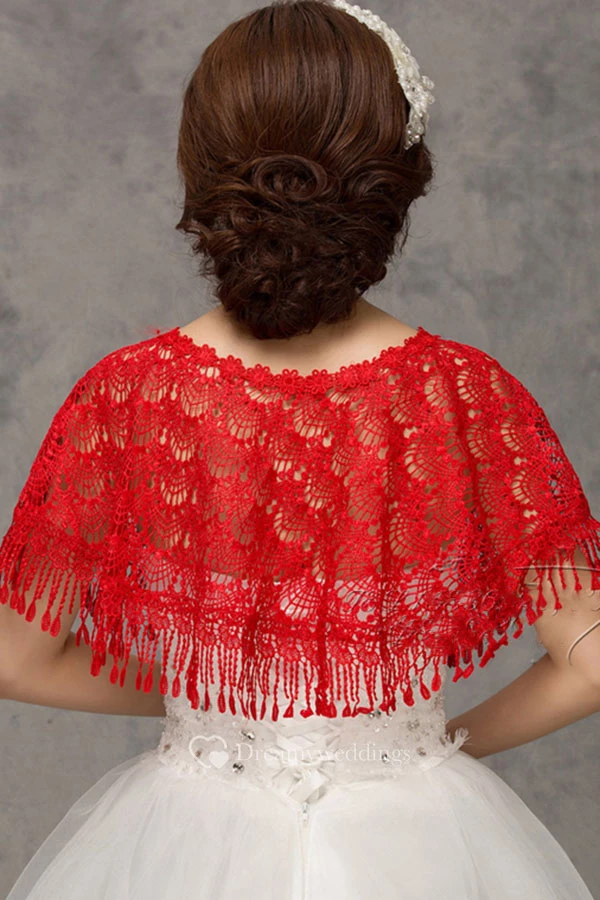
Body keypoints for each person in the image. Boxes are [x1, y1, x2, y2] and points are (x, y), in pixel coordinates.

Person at [1, 1, 599, 897]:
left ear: (199, 169)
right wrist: (436, 744)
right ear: (398, 181)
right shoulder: (468, 396)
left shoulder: (125, 396)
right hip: (418, 838)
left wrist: (216, 695)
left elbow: (14, 657)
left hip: (188, 838)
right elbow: (592, 658)